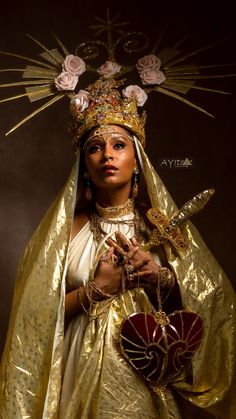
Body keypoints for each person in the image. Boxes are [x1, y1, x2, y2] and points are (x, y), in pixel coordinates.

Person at [0, 23, 235, 419]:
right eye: (95, 147)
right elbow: (34, 318)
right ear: (84, 166)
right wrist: (98, 289)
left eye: (119, 144)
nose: (107, 154)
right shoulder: (65, 230)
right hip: (74, 375)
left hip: (141, 379)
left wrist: (159, 278)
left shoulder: (161, 226)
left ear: (136, 160)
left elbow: (213, 302)